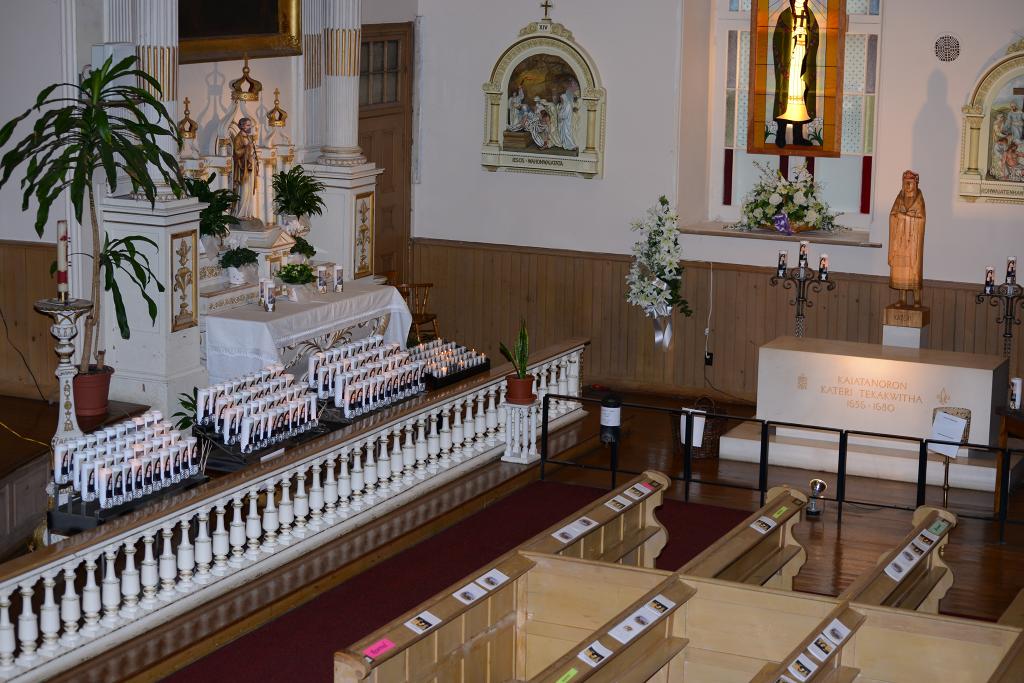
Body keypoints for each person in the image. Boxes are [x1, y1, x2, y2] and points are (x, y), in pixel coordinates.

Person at [772, 0, 819, 148]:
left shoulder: (810, 15)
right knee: (786, 98)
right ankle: (780, 135)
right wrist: (792, 35)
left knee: (801, 97)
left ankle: (798, 137)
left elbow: (815, 35)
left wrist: (806, 35)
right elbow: (778, 38)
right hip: (790, 60)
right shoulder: (785, 15)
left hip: (804, 57)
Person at [888, 170, 926, 307]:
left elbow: (921, 220)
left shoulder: (919, 201)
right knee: (901, 268)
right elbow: (892, 215)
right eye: (905, 183)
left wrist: (906, 218)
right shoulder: (899, 199)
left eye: (910, 183)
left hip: (913, 242)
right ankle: (902, 298)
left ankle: (917, 299)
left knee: (913, 269)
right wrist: (897, 218)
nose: (907, 186)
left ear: (916, 184)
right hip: (900, 240)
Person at [232, 117, 260, 221]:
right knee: (244, 191)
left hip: (251, 166)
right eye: (248, 125)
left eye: (250, 125)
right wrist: (248, 148)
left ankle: (248, 213)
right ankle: (241, 213)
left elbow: (253, 151)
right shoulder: (238, 138)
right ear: (242, 126)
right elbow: (237, 153)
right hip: (243, 169)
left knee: (250, 191)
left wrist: (255, 158)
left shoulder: (249, 137)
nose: (249, 127)